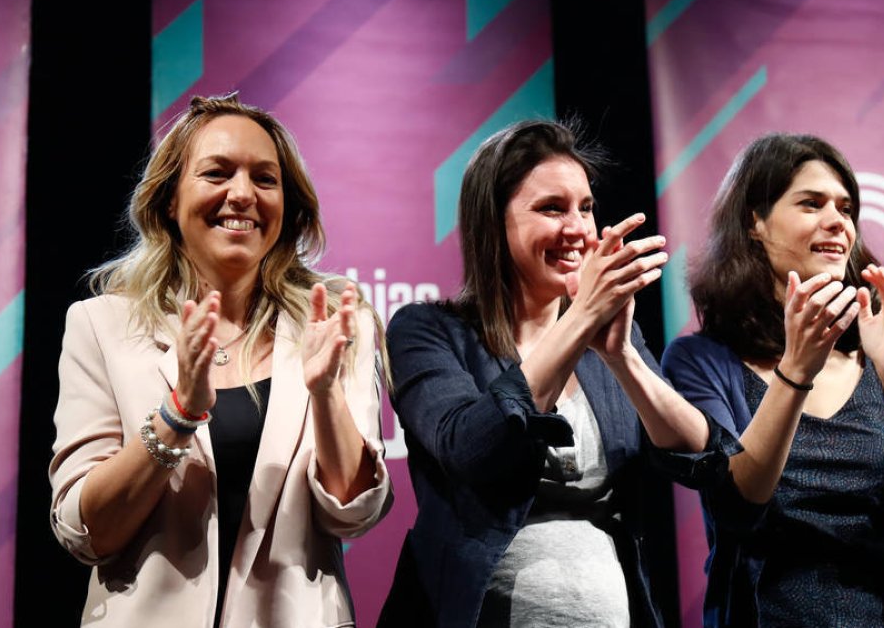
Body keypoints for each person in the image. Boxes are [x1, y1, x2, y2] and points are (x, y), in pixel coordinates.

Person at [48, 94, 392, 627]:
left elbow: (353, 514)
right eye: (217, 173)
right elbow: (85, 531)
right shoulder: (102, 326)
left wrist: (325, 395)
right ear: (168, 200)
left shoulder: (337, 325)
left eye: (265, 179)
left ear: (289, 204)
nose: (242, 194)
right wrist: (178, 413)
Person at [377, 119, 711, 627]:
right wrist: (578, 320)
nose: (577, 229)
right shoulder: (427, 331)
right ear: (493, 222)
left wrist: (623, 357)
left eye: (587, 208)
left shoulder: (607, 339)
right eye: (551, 209)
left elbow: (697, 453)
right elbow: (473, 449)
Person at [660, 133, 884, 627]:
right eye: (811, 204)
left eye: (846, 209)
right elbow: (738, 509)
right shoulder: (701, 361)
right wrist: (795, 371)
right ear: (754, 222)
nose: (837, 223)